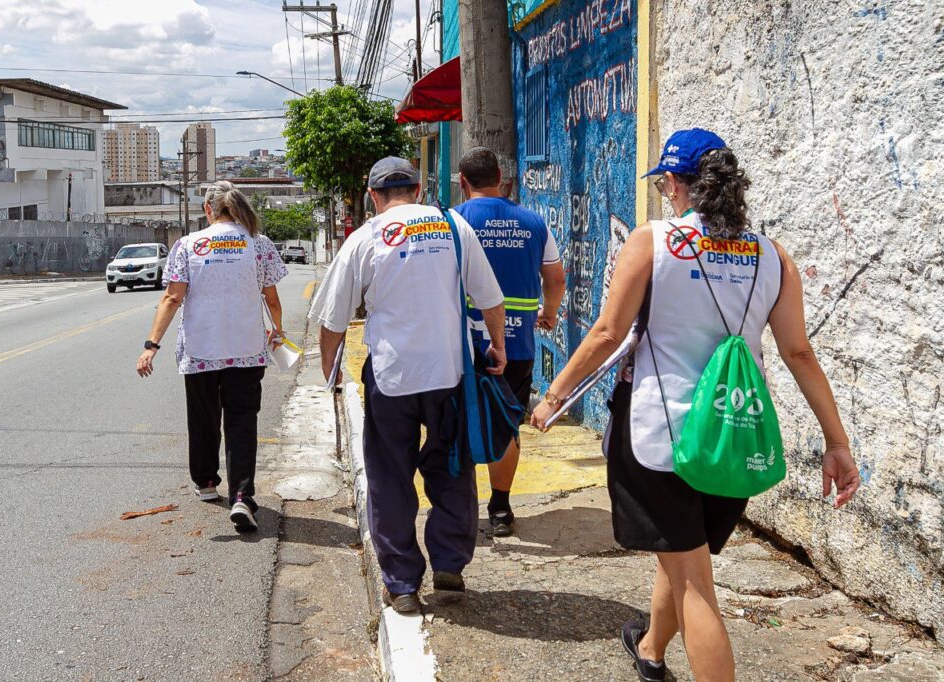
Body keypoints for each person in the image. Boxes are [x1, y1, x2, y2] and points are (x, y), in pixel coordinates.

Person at [530, 129, 861, 682]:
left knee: (694, 582)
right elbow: (798, 351)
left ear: (678, 185)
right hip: (733, 437)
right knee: (686, 554)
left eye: (663, 183)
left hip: (660, 436)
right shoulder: (771, 255)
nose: (663, 193)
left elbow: (609, 332)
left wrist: (554, 395)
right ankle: (652, 651)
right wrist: (837, 442)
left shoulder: (652, 242)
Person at [310, 157, 507, 614]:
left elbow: (332, 322)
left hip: (392, 377)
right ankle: (450, 566)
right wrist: (496, 346)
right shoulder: (454, 226)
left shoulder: (365, 238)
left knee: (390, 479)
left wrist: (330, 375)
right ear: (418, 189)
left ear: (374, 195)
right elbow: (490, 298)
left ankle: (401, 584)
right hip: (450, 374)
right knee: (453, 469)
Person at [136, 180, 288, 533]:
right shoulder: (258, 243)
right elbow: (272, 299)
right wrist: (277, 332)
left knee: (203, 418)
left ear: (208, 210)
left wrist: (151, 345)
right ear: (235, 208)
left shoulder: (187, 245)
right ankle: (241, 496)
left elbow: (172, 298)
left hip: (201, 350)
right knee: (242, 422)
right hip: (247, 350)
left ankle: (206, 483)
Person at [455, 147, 565, 537]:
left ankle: (457, 508)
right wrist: (549, 313)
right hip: (517, 344)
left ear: (463, 181)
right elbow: (556, 279)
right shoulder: (534, 222)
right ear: (501, 177)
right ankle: (500, 508)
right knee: (506, 425)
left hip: (461, 344)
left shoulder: (453, 221)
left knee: (457, 423)